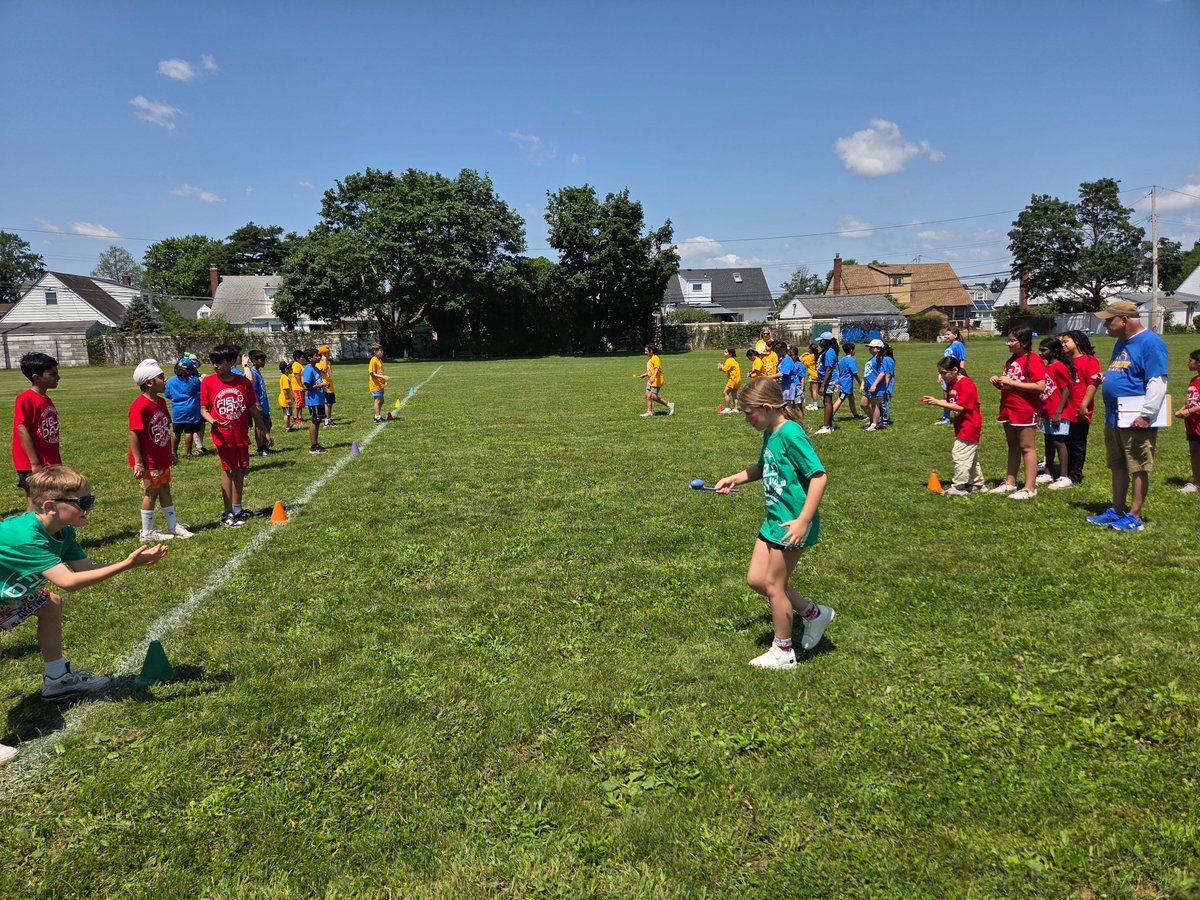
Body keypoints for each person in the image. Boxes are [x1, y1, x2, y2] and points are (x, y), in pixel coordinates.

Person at [0, 467, 168, 749]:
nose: (88, 509)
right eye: (83, 503)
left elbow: (85, 570)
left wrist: (130, 564)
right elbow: (68, 581)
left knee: (49, 604)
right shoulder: (26, 537)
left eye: (90, 501)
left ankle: (57, 680)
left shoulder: (63, 533)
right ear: (51, 506)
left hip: (7, 595)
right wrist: (127, 563)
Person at [714, 377, 834, 669]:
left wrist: (803, 520)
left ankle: (783, 652)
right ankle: (815, 615)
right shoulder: (771, 431)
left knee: (773, 585)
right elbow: (762, 466)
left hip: (791, 523)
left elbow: (819, 476)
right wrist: (735, 477)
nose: (746, 419)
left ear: (767, 407)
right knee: (757, 579)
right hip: (773, 519)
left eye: (748, 413)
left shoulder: (790, 434)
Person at [1086, 301, 1170, 530]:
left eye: (1108, 320)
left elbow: (1157, 381)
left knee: (1138, 465)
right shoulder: (1121, 342)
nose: (1105, 326)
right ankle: (1117, 509)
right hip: (1116, 415)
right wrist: (1106, 377)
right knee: (1118, 465)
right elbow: (1125, 370)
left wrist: (1147, 414)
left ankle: (1135, 516)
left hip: (1136, 417)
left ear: (1124, 319)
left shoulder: (1151, 343)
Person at [200, 344, 273, 527]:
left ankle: (237, 508)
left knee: (240, 470)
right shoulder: (209, 382)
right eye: (213, 362)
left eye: (219, 362)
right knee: (229, 471)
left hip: (240, 434)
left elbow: (252, 409)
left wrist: (265, 431)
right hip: (223, 435)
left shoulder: (243, 383)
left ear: (231, 362)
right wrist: (212, 421)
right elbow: (203, 409)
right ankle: (227, 513)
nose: (215, 365)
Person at [128, 360, 193, 541]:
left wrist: (170, 453)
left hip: (160, 457)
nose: (165, 380)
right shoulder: (139, 406)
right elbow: (134, 435)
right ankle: (147, 532)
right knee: (152, 492)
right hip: (148, 460)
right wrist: (139, 462)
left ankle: (173, 526)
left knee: (165, 488)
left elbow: (166, 429)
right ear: (149, 382)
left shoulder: (161, 403)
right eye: (161, 377)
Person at [988, 327, 1046, 500]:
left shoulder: (1033, 359)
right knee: (1013, 446)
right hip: (1008, 408)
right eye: (1008, 340)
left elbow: (1039, 386)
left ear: (1025, 342)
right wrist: (1000, 383)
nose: (1009, 344)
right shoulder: (1012, 360)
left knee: (1027, 447)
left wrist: (1011, 382)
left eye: (1012, 341)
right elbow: (1011, 384)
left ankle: (1030, 487)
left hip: (1024, 409)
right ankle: (1010, 482)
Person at [922, 358, 985, 495]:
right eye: (940, 373)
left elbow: (960, 406)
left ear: (955, 370)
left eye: (944, 373)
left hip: (970, 424)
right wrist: (936, 400)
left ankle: (959, 486)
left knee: (960, 454)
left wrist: (938, 402)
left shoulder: (966, 384)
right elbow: (952, 401)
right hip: (961, 424)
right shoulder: (951, 382)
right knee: (970, 455)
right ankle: (978, 484)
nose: (942, 376)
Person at [11, 352, 62, 511]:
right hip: (33, 463)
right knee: (35, 501)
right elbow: (22, 430)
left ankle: (49, 532)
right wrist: (35, 464)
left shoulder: (45, 398)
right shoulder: (25, 398)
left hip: (48, 459)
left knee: (52, 498)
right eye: (52, 374)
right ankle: (30, 535)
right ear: (36, 377)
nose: (58, 377)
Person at [1035, 337, 1076, 491]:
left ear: (1054, 351)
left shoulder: (1059, 367)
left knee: (1059, 441)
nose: (1040, 353)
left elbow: (1066, 389)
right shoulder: (1047, 367)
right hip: (1047, 410)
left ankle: (1064, 476)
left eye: (1043, 350)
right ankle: (1048, 472)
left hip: (1059, 412)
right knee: (1048, 441)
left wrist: (1058, 412)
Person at [1061, 331, 1101, 486]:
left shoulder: (1089, 360)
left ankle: (1075, 475)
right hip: (1065, 408)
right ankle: (1066, 472)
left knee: (1077, 443)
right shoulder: (1066, 361)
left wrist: (1084, 405)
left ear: (1077, 342)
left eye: (1066, 342)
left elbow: (1093, 384)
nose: (1063, 345)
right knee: (1065, 441)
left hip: (1079, 408)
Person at [163, 358, 203, 458]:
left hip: (177, 410)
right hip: (191, 409)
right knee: (189, 431)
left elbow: (167, 394)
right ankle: (188, 453)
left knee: (176, 432)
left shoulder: (171, 381)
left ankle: (173, 453)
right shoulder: (194, 380)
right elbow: (200, 389)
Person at [1175, 348, 1200, 494]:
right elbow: (1191, 400)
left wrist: (1188, 411)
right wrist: (1182, 409)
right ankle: (1196, 482)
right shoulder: (1194, 380)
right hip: (1192, 424)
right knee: (1194, 451)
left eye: (1190, 360)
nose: (1188, 363)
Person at [935, 328, 967, 424]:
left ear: (955, 335)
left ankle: (960, 415)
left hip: (953, 374)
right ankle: (946, 417)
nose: (946, 336)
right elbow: (944, 363)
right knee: (946, 394)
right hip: (947, 375)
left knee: (956, 395)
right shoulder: (947, 347)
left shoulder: (959, 345)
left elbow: (962, 359)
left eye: (948, 334)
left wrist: (960, 372)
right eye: (946, 334)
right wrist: (941, 374)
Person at [301, 347, 329, 452]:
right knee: (314, 420)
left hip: (319, 398)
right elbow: (306, 386)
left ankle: (316, 443)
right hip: (313, 400)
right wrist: (322, 385)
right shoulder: (308, 369)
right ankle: (313, 446)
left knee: (318, 421)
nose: (319, 357)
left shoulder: (316, 368)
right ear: (310, 358)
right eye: (317, 355)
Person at [636, 344, 674, 417]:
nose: (645, 353)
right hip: (651, 380)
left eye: (646, 351)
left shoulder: (655, 358)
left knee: (652, 396)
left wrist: (653, 376)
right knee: (647, 395)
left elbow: (656, 368)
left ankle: (669, 405)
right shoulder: (650, 359)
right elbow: (651, 370)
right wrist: (645, 374)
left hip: (656, 380)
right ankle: (649, 412)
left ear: (651, 351)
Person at [247, 351, 273, 456]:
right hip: (259, 403)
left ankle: (265, 445)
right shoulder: (252, 373)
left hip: (264, 402)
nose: (264, 362)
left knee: (268, 423)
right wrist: (257, 403)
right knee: (259, 426)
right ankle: (260, 448)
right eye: (262, 360)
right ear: (254, 361)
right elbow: (252, 390)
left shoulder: (258, 372)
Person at [831, 341, 864, 420]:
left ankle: (855, 415)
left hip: (842, 381)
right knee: (841, 398)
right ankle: (830, 414)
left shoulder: (841, 360)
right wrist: (861, 382)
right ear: (851, 350)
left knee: (851, 398)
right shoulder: (851, 360)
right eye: (854, 349)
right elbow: (855, 373)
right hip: (846, 383)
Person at [814, 332, 838, 435]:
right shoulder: (826, 351)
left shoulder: (829, 353)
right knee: (826, 401)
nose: (820, 342)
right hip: (824, 379)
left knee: (827, 401)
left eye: (821, 340)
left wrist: (823, 385)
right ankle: (829, 425)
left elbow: (829, 369)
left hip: (829, 380)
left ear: (826, 341)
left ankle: (826, 426)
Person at [368, 342, 390, 422]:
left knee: (381, 400)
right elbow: (372, 373)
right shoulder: (373, 360)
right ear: (375, 352)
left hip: (380, 384)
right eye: (380, 350)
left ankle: (377, 415)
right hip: (375, 384)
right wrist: (383, 377)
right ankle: (377, 417)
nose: (382, 352)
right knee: (377, 400)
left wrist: (383, 380)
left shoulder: (379, 360)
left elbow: (379, 372)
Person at [717, 346, 741, 413]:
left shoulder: (729, 360)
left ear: (730, 354)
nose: (724, 353)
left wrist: (720, 367)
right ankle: (736, 409)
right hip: (737, 380)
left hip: (732, 380)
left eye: (726, 352)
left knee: (725, 392)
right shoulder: (734, 360)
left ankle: (727, 408)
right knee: (734, 394)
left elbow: (725, 369)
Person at [317, 344, 336, 427]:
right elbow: (324, 370)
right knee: (327, 403)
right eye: (326, 354)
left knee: (330, 403)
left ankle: (329, 418)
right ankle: (326, 420)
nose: (328, 355)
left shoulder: (328, 362)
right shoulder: (319, 363)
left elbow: (329, 372)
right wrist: (324, 360)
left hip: (330, 385)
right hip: (325, 386)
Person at [290, 350, 307, 427]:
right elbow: (296, 375)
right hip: (297, 387)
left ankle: (300, 417)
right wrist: (301, 385)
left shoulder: (300, 365)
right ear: (297, 358)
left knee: (301, 403)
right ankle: (295, 417)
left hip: (300, 387)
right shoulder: (296, 364)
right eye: (302, 357)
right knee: (298, 403)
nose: (304, 359)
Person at [800, 343, 819, 411]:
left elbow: (799, 360)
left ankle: (815, 405)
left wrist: (804, 354)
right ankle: (812, 403)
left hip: (812, 375)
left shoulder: (809, 357)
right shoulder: (817, 356)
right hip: (817, 374)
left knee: (814, 390)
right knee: (812, 389)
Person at [278, 362, 295, 432]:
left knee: (288, 414)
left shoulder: (284, 377)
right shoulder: (285, 378)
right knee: (287, 414)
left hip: (286, 399)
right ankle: (287, 427)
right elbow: (285, 390)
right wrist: (288, 399)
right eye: (290, 368)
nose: (291, 369)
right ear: (286, 369)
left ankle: (288, 425)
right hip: (285, 400)